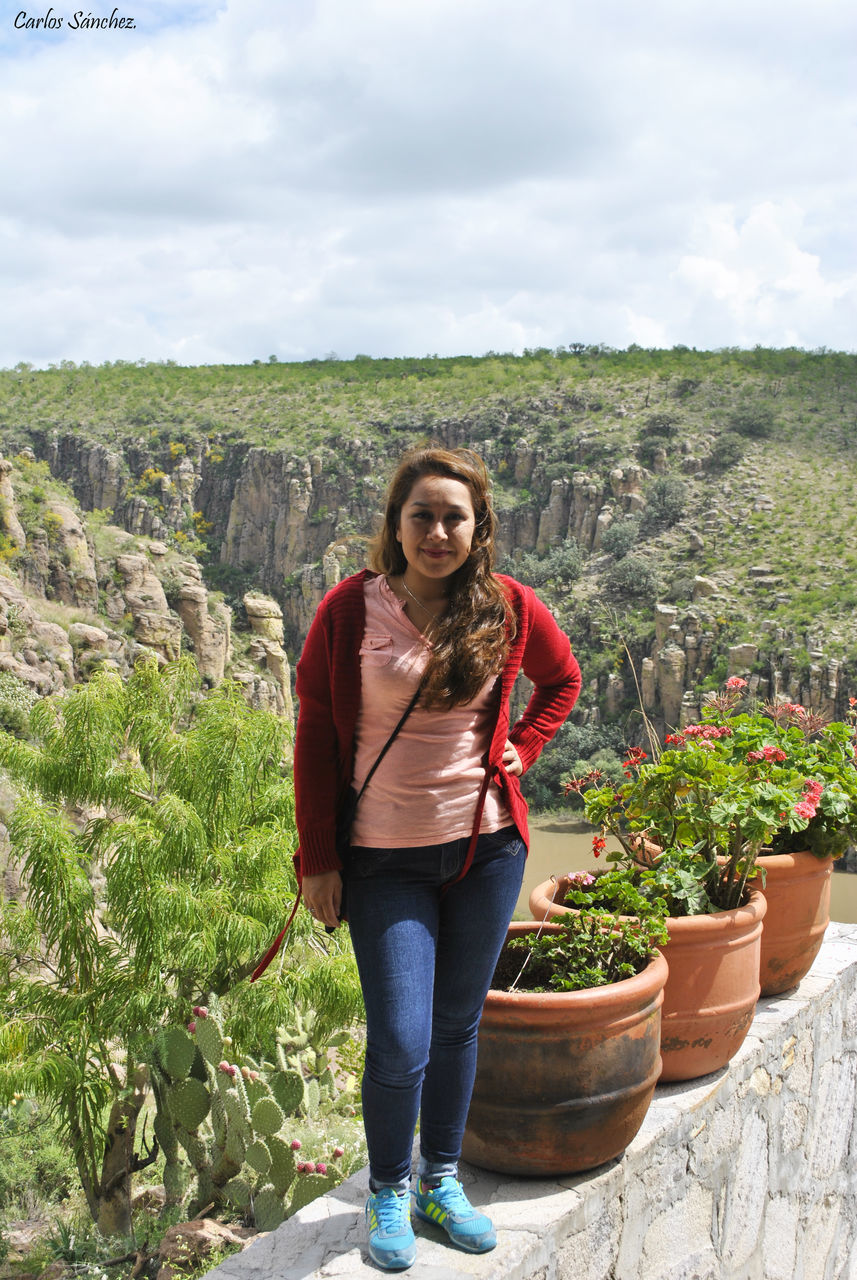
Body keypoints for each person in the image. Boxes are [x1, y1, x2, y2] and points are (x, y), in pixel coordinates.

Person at [294, 446, 581, 1271]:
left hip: (484, 850)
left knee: (458, 1026)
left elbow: (560, 682)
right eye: (421, 515)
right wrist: (320, 858)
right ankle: (388, 1185)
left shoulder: (508, 608)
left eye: (454, 517)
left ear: (477, 528)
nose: (437, 531)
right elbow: (315, 731)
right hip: (382, 859)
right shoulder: (350, 611)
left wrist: (524, 746)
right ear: (396, 523)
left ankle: (439, 1179)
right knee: (399, 1036)